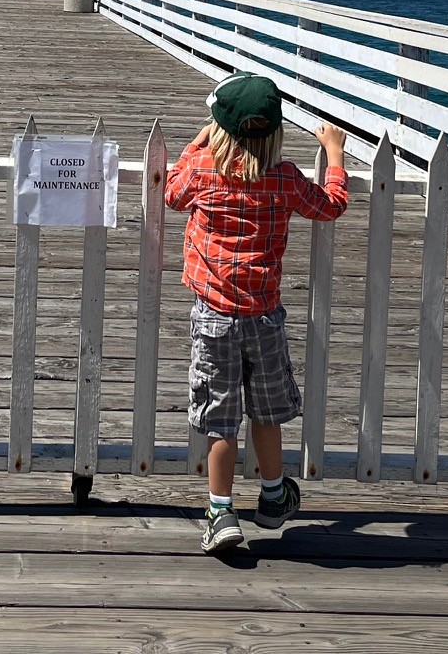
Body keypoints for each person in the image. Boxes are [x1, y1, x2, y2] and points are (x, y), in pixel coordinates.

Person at [164, 71, 349, 554]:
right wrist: (334, 153)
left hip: (213, 317)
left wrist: (194, 142)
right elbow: (331, 205)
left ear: (218, 130)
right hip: (264, 317)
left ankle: (221, 512)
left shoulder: (204, 170)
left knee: (221, 420)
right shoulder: (285, 179)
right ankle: (272, 497)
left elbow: (171, 193)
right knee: (266, 413)